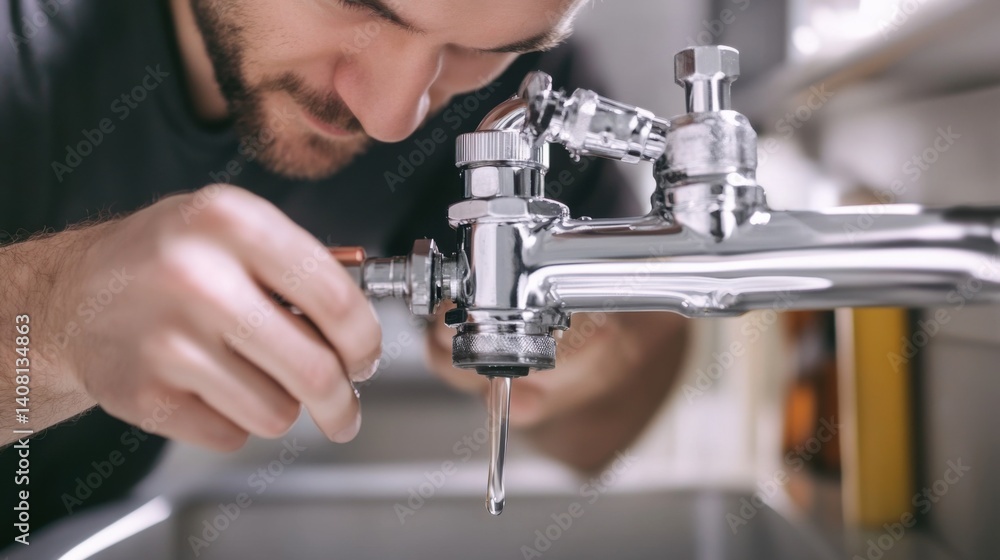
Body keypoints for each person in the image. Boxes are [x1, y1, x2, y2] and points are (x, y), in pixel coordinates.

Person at [0, 0, 688, 544]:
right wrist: (53, 319)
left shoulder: (515, 79)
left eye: (477, 54)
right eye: (358, 6)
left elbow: (603, 431)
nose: (392, 116)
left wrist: (596, 361)